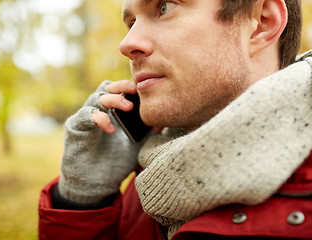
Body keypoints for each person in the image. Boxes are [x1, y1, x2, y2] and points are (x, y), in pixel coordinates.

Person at [39, 0, 312, 239]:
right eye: (131, 22)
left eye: (164, 7)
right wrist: (81, 201)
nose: (126, 44)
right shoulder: (145, 183)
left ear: (262, 22)